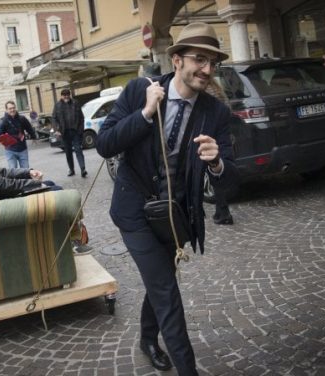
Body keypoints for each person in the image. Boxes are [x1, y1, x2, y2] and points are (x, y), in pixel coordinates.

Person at [96, 22, 239, 375]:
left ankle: (147, 338)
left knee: (161, 281)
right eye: (199, 60)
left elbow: (231, 179)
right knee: (165, 288)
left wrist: (217, 162)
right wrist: (144, 114)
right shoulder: (138, 90)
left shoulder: (215, 112)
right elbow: (105, 144)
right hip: (133, 210)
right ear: (176, 60)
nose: (207, 70)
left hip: (174, 216)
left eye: (212, 63)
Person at [205, 79, 234, 225]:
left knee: (215, 177)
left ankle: (223, 212)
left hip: (211, 136)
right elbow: (228, 107)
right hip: (221, 136)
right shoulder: (217, 87)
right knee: (217, 176)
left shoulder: (205, 90)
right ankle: (221, 211)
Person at [52, 88, 87, 177]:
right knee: (68, 152)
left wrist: (80, 130)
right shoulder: (57, 105)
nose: (66, 96)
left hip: (75, 131)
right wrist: (56, 130)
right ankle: (71, 170)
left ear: (69, 95)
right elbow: (54, 118)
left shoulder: (75, 103)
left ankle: (83, 169)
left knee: (78, 150)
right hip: (64, 132)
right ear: (61, 96)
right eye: (64, 95)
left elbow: (82, 118)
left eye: (68, 94)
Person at [0, 101, 37, 169]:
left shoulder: (22, 118)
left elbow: (29, 128)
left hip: (22, 149)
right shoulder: (3, 121)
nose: (12, 110)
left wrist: (34, 137)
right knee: (13, 172)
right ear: (6, 110)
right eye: (10, 108)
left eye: (13, 108)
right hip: (10, 151)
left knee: (26, 171)